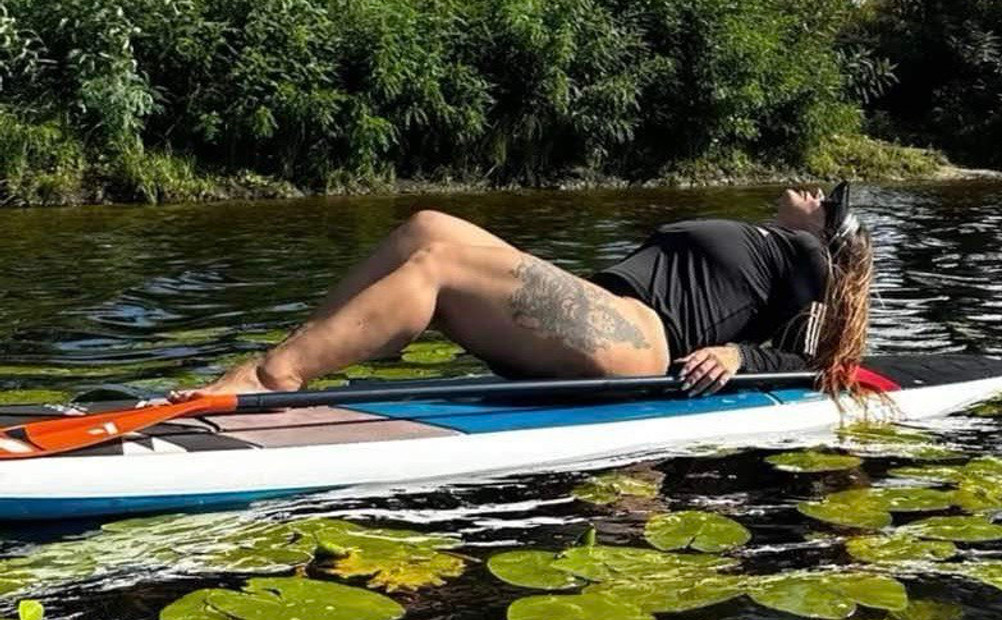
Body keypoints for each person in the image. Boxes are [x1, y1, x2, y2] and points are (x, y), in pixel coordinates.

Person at [176, 183, 872, 402]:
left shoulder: (807, 256)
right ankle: (288, 364)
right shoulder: (778, 243)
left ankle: (267, 381)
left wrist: (742, 359)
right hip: (604, 314)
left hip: (637, 339)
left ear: (830, 233)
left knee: (441, 265)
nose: (813, 192)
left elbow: (820, 361)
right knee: (426, 225)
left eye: (828, 201)